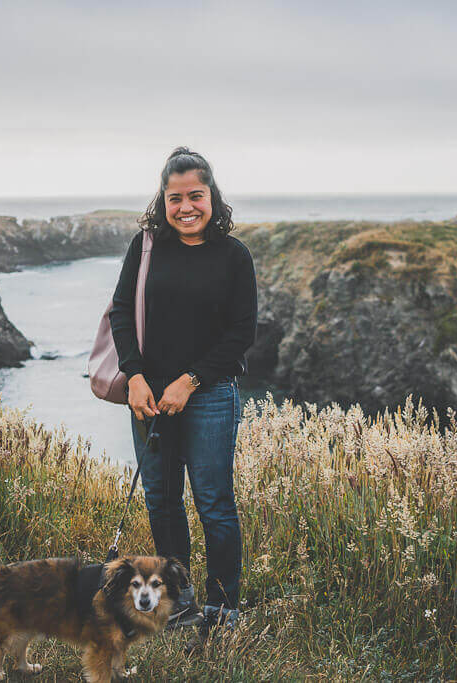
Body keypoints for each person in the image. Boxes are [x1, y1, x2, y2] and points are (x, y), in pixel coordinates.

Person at [108, 147, 257, 648]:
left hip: (210, 396)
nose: (186, 206)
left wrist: (190, 380)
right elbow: (122, 312)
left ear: (212, 196)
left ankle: (222, 607)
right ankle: (180, 599)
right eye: (176, 198)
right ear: (163, 199)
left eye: (196, 195)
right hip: (148, 396)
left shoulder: (234, 256)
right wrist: (133, 376)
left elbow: (241, 333)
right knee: (162, 501)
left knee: (214, 503)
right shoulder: (146, 246)